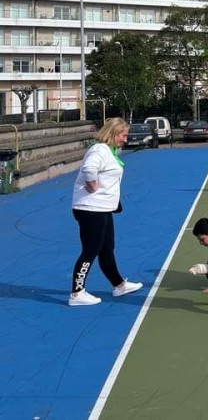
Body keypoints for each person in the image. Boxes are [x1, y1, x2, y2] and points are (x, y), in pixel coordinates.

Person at [68, 118, 144, 307]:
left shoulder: (110, 151)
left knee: (107, 248)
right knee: (91, 250)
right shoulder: (99, 150)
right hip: (90, 209)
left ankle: (119, 285)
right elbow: (88, 168)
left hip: (103, 209)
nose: (125, 140)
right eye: (123, 135)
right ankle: (76, 293)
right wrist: (92, 186)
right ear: (113, 133)